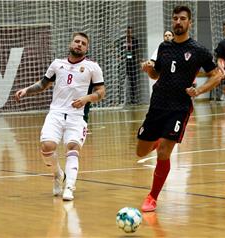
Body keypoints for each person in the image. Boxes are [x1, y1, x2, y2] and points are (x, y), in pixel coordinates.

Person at [138, 5, 223, 212]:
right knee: (141, 152)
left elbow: (218, 75)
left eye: (182, 18)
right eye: (175, 18)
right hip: (157, 104)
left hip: (179, 107)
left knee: (165, 152)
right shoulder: (164, 47)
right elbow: (156, 75)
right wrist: (149, 70)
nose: (178, 21)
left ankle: (152, 197)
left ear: (189, 23)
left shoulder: (198, 50)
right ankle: (157, 140)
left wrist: (199, 90)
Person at [15, 32, 106, 201]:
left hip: (77, 116)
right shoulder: (57, 64)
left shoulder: (93, 67)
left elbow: (101, 92)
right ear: (71, 44)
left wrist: (87, 98)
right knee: (47, 147)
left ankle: (70, 188)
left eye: (83, 43)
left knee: (73, 147)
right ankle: (58, 174)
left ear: (87, 48)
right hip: (56, 113)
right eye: (77, 41)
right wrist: (26, 90)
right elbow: (43, 84)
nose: (79, 44)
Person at [115, 26, 140, 104]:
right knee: (121, 81)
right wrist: (118, 56)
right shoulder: (121, 40)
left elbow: (137, 52)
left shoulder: (135, 40)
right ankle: (120, 100)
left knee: (133, 82)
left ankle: (133, 100)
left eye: (130, 32)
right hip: (123, 63)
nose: (129, 33)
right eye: (127, 32)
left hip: (132, 63)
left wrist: (138, 60)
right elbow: (114, 45)